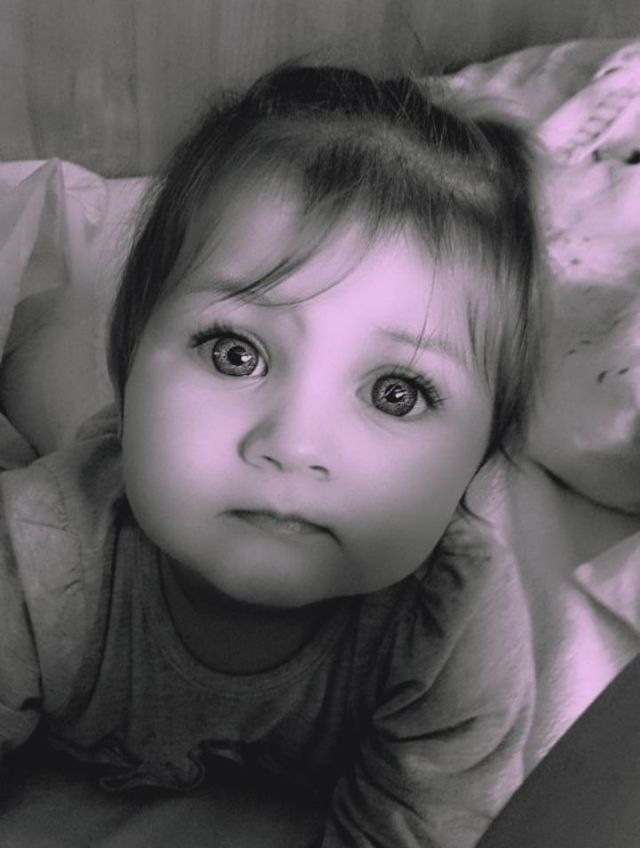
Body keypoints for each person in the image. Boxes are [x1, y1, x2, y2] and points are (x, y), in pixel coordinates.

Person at [0, 64, 545, 847]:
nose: (294, 446)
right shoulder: (40, 553)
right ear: (126, 364)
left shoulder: (451, 627)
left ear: (479, 461)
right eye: (235, 353)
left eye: (396, 393)